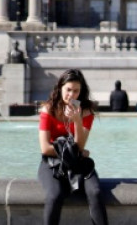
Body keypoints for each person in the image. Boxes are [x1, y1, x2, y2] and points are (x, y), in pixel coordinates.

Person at [37, 69, 108, 225]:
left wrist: (77, 120)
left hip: (78, 164)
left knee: (96, 192)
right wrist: (77, 152)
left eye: (76, 91)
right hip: (52, 163)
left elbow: (80, 145)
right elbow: (45, 149)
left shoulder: (86, 112)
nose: (72, 95)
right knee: (55, 195)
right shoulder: (48, 110)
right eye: (68, 90)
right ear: (60, 88)